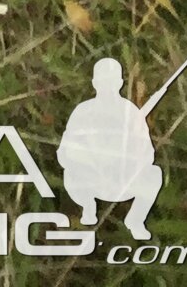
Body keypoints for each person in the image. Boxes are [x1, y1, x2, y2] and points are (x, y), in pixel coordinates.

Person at [58, 57, 163, 238]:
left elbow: (147, 153)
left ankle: (136, 220)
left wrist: (129, 159)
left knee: (154, 174)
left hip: (123, 180)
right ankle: (88, 208)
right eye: (103, 81)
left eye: (111, 81)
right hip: (90, 179)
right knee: (70, 172)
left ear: (120, 83)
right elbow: (65, 150)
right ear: (95, 83)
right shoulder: (83, 111)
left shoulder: (130, 112)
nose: (107, 86)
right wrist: (90, 161)